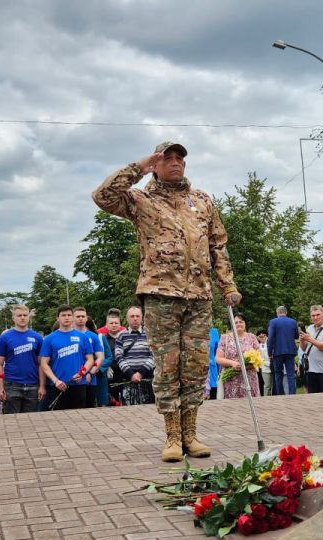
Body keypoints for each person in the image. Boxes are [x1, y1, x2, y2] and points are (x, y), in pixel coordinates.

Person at [93, 141, 240, 462]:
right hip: (160, 295)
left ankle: (191, 434)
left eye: (180, 158)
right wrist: (138, 167)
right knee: (168, 365)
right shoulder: (141, 199)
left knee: (196, 366)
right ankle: (173, 435)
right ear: (156, 165)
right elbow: (102, 196)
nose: (175, 163)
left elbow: (218, 245)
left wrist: (227, 284)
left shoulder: (202, 201)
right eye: (167, 158)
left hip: (199, 296)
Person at [39, 305, 94, 411]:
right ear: (57, 318)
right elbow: (44, 363)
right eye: (63, 315)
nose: (67, 317)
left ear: (72, 317)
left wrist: (82, 373)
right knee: (59, 417)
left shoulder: (83, 337)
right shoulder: (49, 338)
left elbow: (90, 359)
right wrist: (55, 381)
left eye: (69, 315)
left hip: (78, 385)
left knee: (79, 416)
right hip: (58, 385)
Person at [0, 305, 44, 414]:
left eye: (25, 315)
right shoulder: (5, 337)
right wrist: (0, 387)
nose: (22, 318)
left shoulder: (37, 337)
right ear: (13, 318)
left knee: (31, 420)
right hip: (12, 385)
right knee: (12, 420)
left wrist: (42, 386)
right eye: (19, 315)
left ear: (29, 317)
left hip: (33, 385)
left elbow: (41, 364)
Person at [115, 306, 156, 406]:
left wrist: (141, 373)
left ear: (142, 318)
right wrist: (131, 374)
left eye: (137, 316)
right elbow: (118, 357)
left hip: (147, 378)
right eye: (132, 316)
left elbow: (154, 355)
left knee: (149, 408)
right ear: (127, 318)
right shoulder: (121, 336)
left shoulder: (150, 334)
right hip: (127, 379)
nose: (135, 319)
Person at [215, 313, 261, 399]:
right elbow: (218, 358)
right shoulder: (225, 338)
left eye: (241, 322)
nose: (238, 324)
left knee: (251, 404)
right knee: (233, 405)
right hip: (231, 381)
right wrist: (232, 363)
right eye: (235, 322)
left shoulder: (252, 337)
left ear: (245, 323)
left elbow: (259, 357)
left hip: (250, 380)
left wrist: (246, 365)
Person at [300, 305, 323, 393]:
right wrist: (302, 341)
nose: (315, 317)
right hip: (310, 370)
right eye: (313, 315)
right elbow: (304, 349)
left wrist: (310, 339)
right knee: (313, 399)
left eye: (318, 315)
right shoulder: (309, 328)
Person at [73, 307, 105, 408]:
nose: (80, 318)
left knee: (89, 409)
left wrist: (91, 373)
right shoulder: (68, 335)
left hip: (90, 380)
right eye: (78, 316)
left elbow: (100, 357)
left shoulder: (93, 336)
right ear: (73, 318)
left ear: (86, 318)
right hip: (73, 379)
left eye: (83, 316)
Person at [266, 306, 299, 396]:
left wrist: (269, 352)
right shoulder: (293, 321)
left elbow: (270, 338)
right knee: (291, 374)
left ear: (277, 313)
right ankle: (292, 394)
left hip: (277, 351)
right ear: (286, 312)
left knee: (278, 374)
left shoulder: (273, 322)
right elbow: (296, 336)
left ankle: (280, 394)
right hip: (290, 351)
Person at [101, 309, 123, 406]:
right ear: (106, 325)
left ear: (120, 324)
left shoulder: (126, 338)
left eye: (116, 323)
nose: (114, 325)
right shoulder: (102, 340)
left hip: (125, 375)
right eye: (111, 323)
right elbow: (99, 356)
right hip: (109, 377)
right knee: (111, 404)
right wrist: (106, 366)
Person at [257, 331, 272, 396]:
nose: (262, 338)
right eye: (260, 337)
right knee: (267, 385)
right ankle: (266, 398)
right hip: (265, 368)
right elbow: (259, 358)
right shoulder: (258, 346)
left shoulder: (271, 344)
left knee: (273, 385)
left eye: (264, 336)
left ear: (267, 336)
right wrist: (268, 364)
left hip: (273, 366)